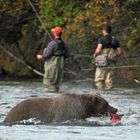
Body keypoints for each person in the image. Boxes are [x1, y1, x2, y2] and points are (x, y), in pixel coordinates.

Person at [37, 26, 69, 92]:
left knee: (50, 83)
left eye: (53, 32)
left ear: (55, 34)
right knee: (57, 84)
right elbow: (67, 55)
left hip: (52, 66)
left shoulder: (52, 44)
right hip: (60, 66)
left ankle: (51, 98)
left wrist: (40, 57)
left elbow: (47, 56)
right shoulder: (65, 44)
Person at [93, 25, 123, 90]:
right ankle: (109, 92)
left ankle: (101, 92)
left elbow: (98, 50)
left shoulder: (101, 39)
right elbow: (120, 52)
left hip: (102, 62)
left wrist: (95, 55)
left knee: (99, 79)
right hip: (112, 62)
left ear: (104, 31)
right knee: (109, 79)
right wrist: (114, 56)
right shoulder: (115, 40)